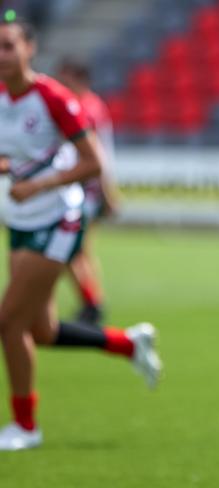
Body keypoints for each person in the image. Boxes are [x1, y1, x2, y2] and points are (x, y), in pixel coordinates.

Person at [0, 16, 161, 450]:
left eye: (8, 46)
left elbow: (92, 163)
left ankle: (25, 427)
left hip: (57, 220)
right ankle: (128, 343)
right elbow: (14, 157)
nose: (2, 56)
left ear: (30, 49)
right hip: (21, 221)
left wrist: (37, 184)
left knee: (8, 322)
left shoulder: (52, 96)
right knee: (42, 330)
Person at [56, 57, 119, 325]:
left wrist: (107, 192)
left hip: (85, 190)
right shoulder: (93, 105)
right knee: (80, 249)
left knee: (71, 249)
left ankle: (92, 302)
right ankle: (92, 301)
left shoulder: (83, 107)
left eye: (64, 77)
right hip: (88, 188)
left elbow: (98, 155)